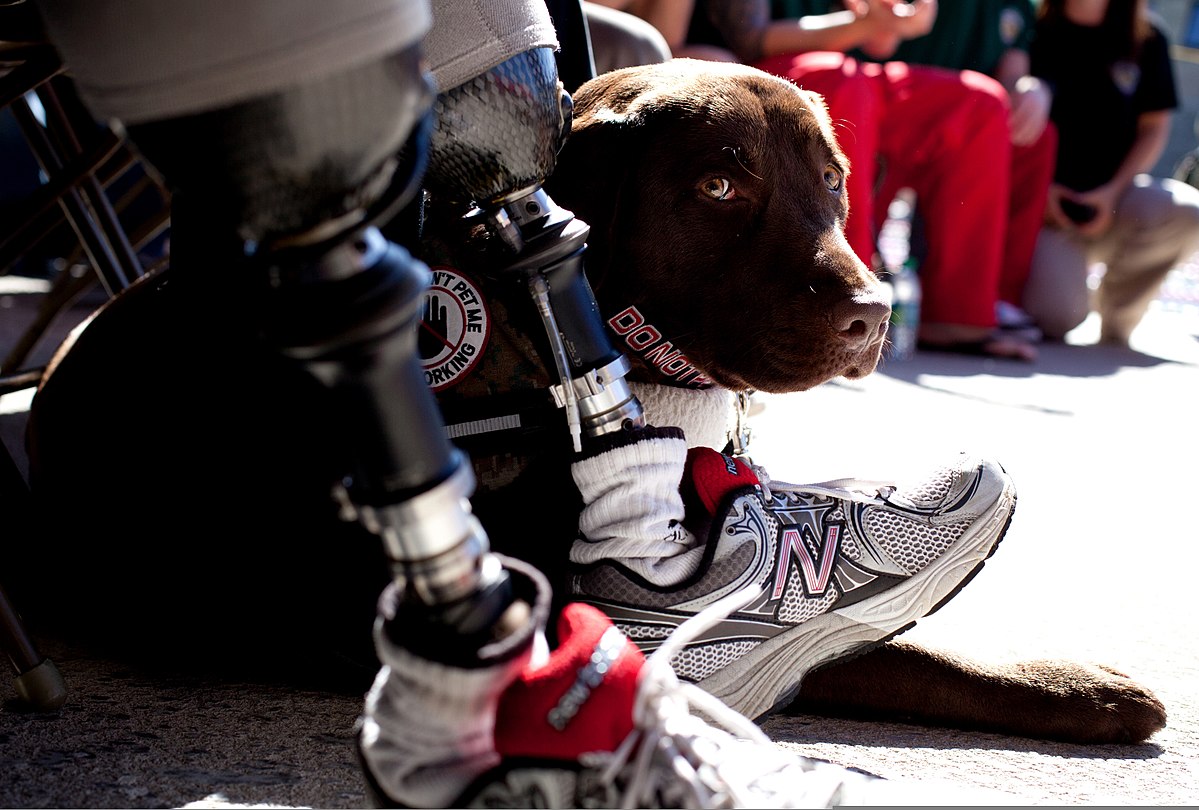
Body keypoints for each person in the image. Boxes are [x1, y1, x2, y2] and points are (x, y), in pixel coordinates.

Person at [26, 0, 1017, 805]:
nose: (857, 289)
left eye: (826, 186)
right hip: (218, 503)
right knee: (495, 72)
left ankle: (666, 490)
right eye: (722, 192)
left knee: (613, 46)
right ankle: (643, 564)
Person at [676, 0, 1042, 360]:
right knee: (843, 83)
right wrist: (865, 25)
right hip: (772, 76)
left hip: (864, 74)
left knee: (980, 103)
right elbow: (748, 38)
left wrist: (890, 23)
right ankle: (847, 306)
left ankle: (959, 317)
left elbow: (885, 43)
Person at [857, 0, 1058, 341]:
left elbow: (1013, 71)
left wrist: (1032, 90)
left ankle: (993, 300)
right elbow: (870, 40)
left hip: (962, 122)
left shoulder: (1018, 6)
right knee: (981, 105)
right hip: (884, 101)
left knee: (1034, 136)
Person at [1022, 0, 1199, 346]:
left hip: (1116, 201)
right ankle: (1068, 288)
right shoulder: (1031, 28)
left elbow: (1154, 128)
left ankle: (1118, 321)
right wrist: (1041, 192)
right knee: (1055, 316)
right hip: (1042, 211)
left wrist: (1113, 192)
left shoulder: (1147, 36)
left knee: (1187, 212)